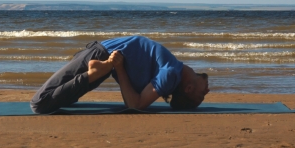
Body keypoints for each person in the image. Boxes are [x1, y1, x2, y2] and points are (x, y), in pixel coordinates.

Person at [30, 35, 209, 114]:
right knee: (47, 102)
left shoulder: (170, 73)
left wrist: (119, 67)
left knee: (39, 103)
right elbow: (136, 103)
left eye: (202, 95)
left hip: (102, 58)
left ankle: (94, 73)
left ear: (189, 88)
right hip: (99, 55)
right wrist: (116, 66)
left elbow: (135, 105)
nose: (207, 90)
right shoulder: (173, 69)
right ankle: (95, 73)